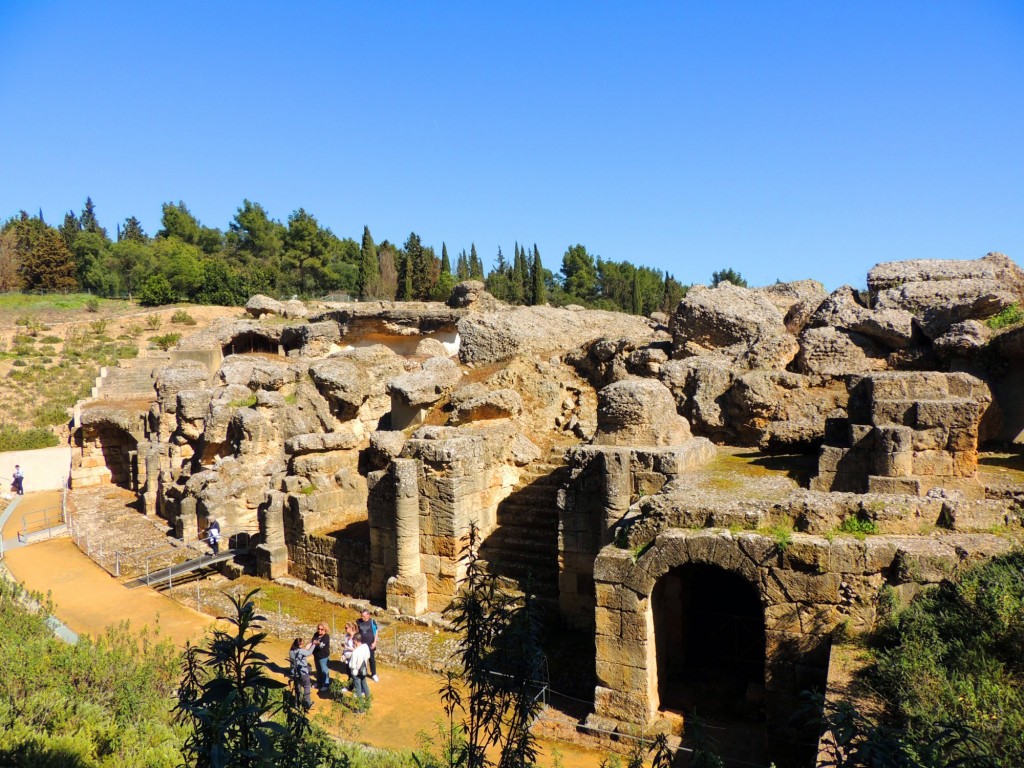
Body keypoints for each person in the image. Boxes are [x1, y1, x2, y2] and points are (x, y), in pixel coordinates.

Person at [288, 638, 314, 709]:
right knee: (307, 686)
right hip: (302, 672)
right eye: (302, 644)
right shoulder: (300, 651)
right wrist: (314, 644)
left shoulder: (291, 651)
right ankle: (307, 703)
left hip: (294, 673)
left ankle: (297, 704)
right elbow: (309, 653)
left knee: (297, 689)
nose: (303, 645)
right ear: (299, 645)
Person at [356, 608, 379, 681]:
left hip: (370, 644)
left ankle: (374, 674)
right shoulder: (358, 621)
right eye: (362, 616)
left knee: (371, 659)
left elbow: (376, 632)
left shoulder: (372, 621)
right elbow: (357, 631)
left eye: (364, 616)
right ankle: (362, 673)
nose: (362, 617)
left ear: (368, 615)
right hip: (362, 645)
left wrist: (375, 642)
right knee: (362, 660)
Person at [348, 634, 371, 700]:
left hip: (356, 673)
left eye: (353, 639)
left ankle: (361, 707)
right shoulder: (365, 646)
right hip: (363, 670)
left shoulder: (355, 652)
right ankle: (368, 701)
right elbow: (368, 656)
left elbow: (352, 665)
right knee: (365, 685)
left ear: (355, 640)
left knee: (358, 689)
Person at [310, 621, 331, 692]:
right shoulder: (316, 634)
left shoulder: (326, 637)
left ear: (325, 629)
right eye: (319, 629)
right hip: (316, 655)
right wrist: (316, 643)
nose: (319, 630)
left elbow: (321, 646)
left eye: (322, 629)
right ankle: (319, 682)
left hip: (323, 656)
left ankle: (326, 684)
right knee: (318, 670)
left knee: (324, 670)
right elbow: (312, 641)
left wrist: (316, 643)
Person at [340, 622, 357, 691]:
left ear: (351, 628)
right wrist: (343, 654)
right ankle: (350, 686)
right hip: (347, 658)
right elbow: (345, 647)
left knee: (354, 674)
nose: (345, 629)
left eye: (346, 627)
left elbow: (356, 649)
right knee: (349, 673)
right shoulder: (347, 636)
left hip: (353, 658)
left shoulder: (355, 637)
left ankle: (357, 689)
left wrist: (346, 647)